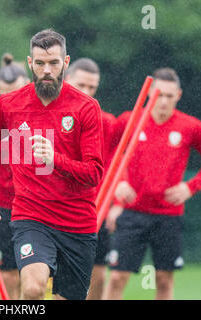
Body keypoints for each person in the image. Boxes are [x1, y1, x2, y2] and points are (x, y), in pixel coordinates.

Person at [0, 29, 104, 300]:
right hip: (31, 216)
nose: (46, 70)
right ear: (29, 63)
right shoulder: (10, 104)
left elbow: (94, 174)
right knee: (33, 288)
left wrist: (54, 160)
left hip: (77, 222)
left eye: (53, 63)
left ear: (66, 62)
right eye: (40, 63)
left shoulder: (86, 107)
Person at [103, 68, 201, 300]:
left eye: (169, 96)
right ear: (149, 93)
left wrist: (190, 187)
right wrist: (118, 183)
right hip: (131, 212)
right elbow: (108, 153)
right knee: (117, 277)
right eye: (159, 94)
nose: (164, 101)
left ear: (178, 95)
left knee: (164, 280)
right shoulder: (130, 120)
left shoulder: (190, 126)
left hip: (168, 215)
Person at [64, 57, 120, 300]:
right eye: (81, 85)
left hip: (93, 210)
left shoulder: (106, 121)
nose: (86, 93)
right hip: (54, 209)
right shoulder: (48, 116)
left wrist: (117, 203)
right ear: (65, 80)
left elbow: (118, 163)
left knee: (97, 276)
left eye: (92, 88)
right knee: (47, 277)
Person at [0, 53, 30, 299]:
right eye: (6, 93)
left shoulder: (39, 114)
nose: (11, 99)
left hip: (37, 205)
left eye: (16, 91)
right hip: (4, 206)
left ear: (27, 84)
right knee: (7, 275)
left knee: (33, 274)